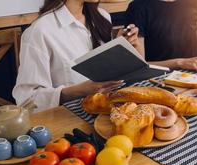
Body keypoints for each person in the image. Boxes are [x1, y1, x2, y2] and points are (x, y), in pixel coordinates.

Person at [13, 0, 141, 112]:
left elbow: (107, 73)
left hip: (106, 111)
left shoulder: (102, 16)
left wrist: (121, 46)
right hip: (66, 120)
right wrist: (80, 90)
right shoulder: (40, 31)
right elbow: (26, 101)